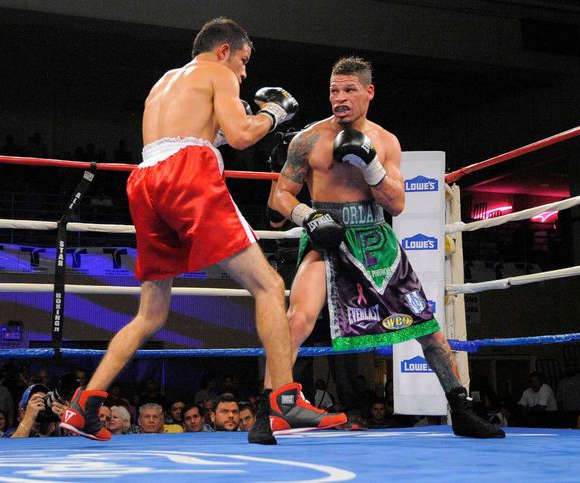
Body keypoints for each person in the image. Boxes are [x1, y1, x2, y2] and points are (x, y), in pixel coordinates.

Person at [60, 17, 343, 445]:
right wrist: (272, 114)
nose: (244, 73)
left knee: (151, 314)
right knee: (267, 285)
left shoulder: (165, 83)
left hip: (145, 181)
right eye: (244, 61)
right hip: (186, 176)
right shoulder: (216, 72)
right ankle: (284, 399)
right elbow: (244, 136)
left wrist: (236, 127)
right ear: (224, 50)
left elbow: (191, 135)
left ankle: (83, 406)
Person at [268, 56, 503, 439]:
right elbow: (280, 196)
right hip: (324, 235)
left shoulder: (385, 141)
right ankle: (271, 407)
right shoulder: (308, 139)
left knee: (427, 328)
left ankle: (461, 408)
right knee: (296, 320)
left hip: (375, 238)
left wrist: (370, 164)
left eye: (349, 90)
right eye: (334, 91)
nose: (339, 98)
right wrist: (307, 217)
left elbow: (396, 204)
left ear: (368, 92)